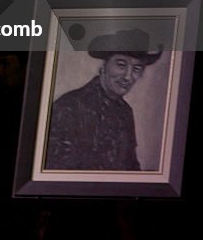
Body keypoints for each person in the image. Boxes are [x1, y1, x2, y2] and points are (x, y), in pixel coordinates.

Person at [45, 28, 163, 171]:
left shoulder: (125, 112)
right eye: (121, 65)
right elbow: (53, 170)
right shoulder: (70, 106)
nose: (128, 76)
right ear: (104, 66)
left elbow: (131, 166)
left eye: (136, 69)